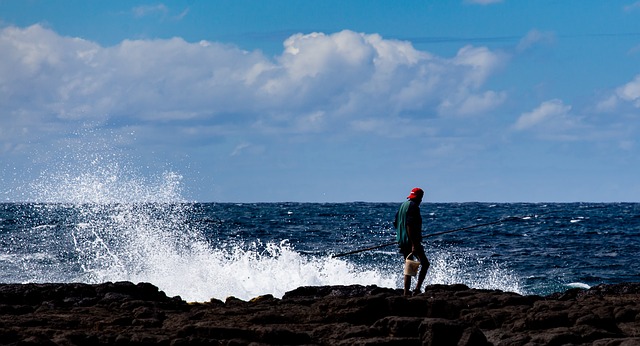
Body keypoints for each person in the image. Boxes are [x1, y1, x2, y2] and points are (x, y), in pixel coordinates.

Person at [394, 187, 430, 296]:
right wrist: (414, 243)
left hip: (402, 241)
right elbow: (409, 225)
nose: (420, 201)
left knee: (409, 264)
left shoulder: (403, 205)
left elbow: (396, 223)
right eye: (420, 198)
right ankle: (417, 289)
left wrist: (402, 235)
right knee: (425, 263)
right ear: (419, 198)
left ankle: (406, 293)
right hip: (411, 242)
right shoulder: (414, 207)